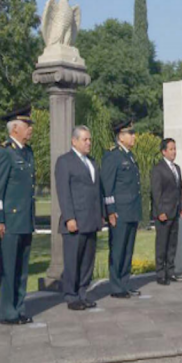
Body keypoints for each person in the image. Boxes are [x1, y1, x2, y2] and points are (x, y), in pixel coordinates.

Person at [0, 107, 36, 325]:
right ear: (15, 128)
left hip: (25, 219)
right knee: (10, 268)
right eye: (27, 126)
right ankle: (8, 312)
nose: (31, 129)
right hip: (10, 220)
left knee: (22, 268)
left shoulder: (28, 152)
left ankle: (19, 308)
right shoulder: (4, 152)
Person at [55, 126, 103, 311]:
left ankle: (83, 293)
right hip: (75, 221)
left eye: (89, 139)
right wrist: (69, 217)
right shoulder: (65, 162)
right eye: (85, 139)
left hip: (91, 220)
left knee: (87, 261)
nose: (89, 142)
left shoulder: (91, 162)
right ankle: (71, 295)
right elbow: (64, 192)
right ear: (74, 141)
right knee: (73, 260)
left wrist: (101, 215)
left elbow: (96, 191)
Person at [101, 120, 142, 298]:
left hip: (131, 210)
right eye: (130, 133)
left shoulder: (130, 156)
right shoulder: (113, 156)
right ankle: (116, 287)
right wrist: (110, 211)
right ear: (120, 136)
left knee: (128, 249)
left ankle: (125, 283)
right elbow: (107, 186)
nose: (134, 136)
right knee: (118, 249)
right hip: (119, 211)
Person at [151, 138, 182, 285]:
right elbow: (155, 193)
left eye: (175, 148)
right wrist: (160, 211)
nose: (174, 152)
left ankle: (170, 272)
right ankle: (160, 273)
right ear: (163, 151)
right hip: (164, 213)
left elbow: (180, 191)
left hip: (175, 212)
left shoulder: (176, 168)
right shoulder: (158, 169)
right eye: (171, 149)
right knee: (162, 244)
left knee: (172, 244)